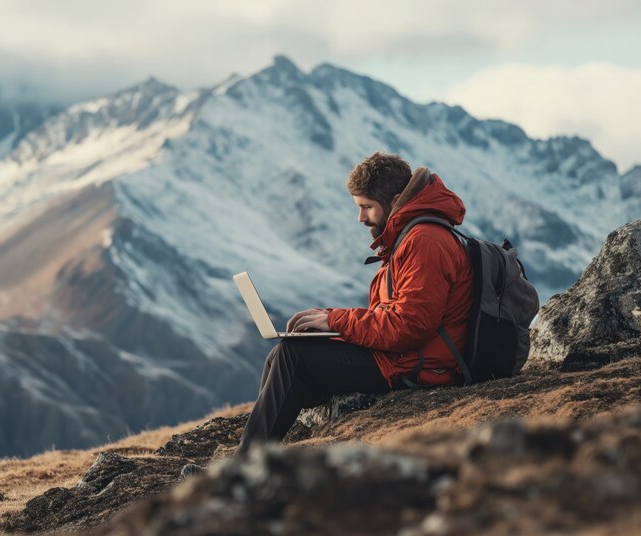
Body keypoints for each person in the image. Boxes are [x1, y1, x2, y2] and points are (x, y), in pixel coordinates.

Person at [181, 152, 473, 478]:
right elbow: (394, 316)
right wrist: (331, 324)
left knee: (292, 358)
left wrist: (335, 322)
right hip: (405, 356)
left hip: (423, 367)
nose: (360, 217)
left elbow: (410, 327)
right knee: (282, 357)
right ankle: (258, 461)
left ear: (393, 201)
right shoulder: (409, 237)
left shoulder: (425, 241)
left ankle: (242, 472)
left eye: (367, 207)